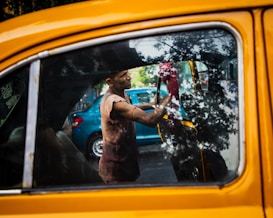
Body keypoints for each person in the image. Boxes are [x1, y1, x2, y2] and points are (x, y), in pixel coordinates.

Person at [99, 69, 170, 183]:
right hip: (116, 169)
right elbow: (150, 120)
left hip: (125, 162)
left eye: (127, 73)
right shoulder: (114, 101)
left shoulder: (121, 94)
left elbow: (131, 107)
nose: (129, 77)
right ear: (110, 82)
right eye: (123, 75)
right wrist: (171, 96)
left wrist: (151, 105)